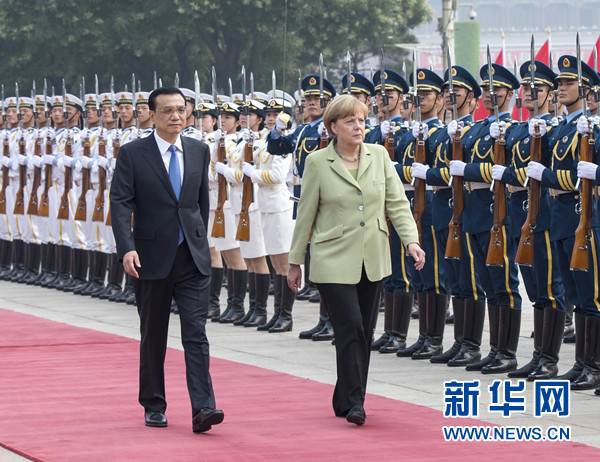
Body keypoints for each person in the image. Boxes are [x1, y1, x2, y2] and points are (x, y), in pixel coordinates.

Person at [287, 95, 425, 425]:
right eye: (350, 121)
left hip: (372, 255)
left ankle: (344, 395)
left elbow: (397, 203)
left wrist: (411, 241)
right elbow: (305, 215)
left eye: (362, 120)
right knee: (349, 326)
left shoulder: (379, 156)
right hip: (331, 256)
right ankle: (355, 402)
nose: (358, 126)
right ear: (333, 127)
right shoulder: (318, 162)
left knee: (363, 331)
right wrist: (295, 262)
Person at [110, 86, 224, 433]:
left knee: (196, 332)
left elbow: (199, 203)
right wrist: (126, 247)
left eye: (181, 109)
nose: (176, 116)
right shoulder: (133, 153)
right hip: (150, 257)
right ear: (152, 114)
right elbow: (120, 203)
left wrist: (199, 241)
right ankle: (154, 404)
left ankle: (204, 407)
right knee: (154, 334)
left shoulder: (199, 149)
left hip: (191, 257)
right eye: (168, 111)